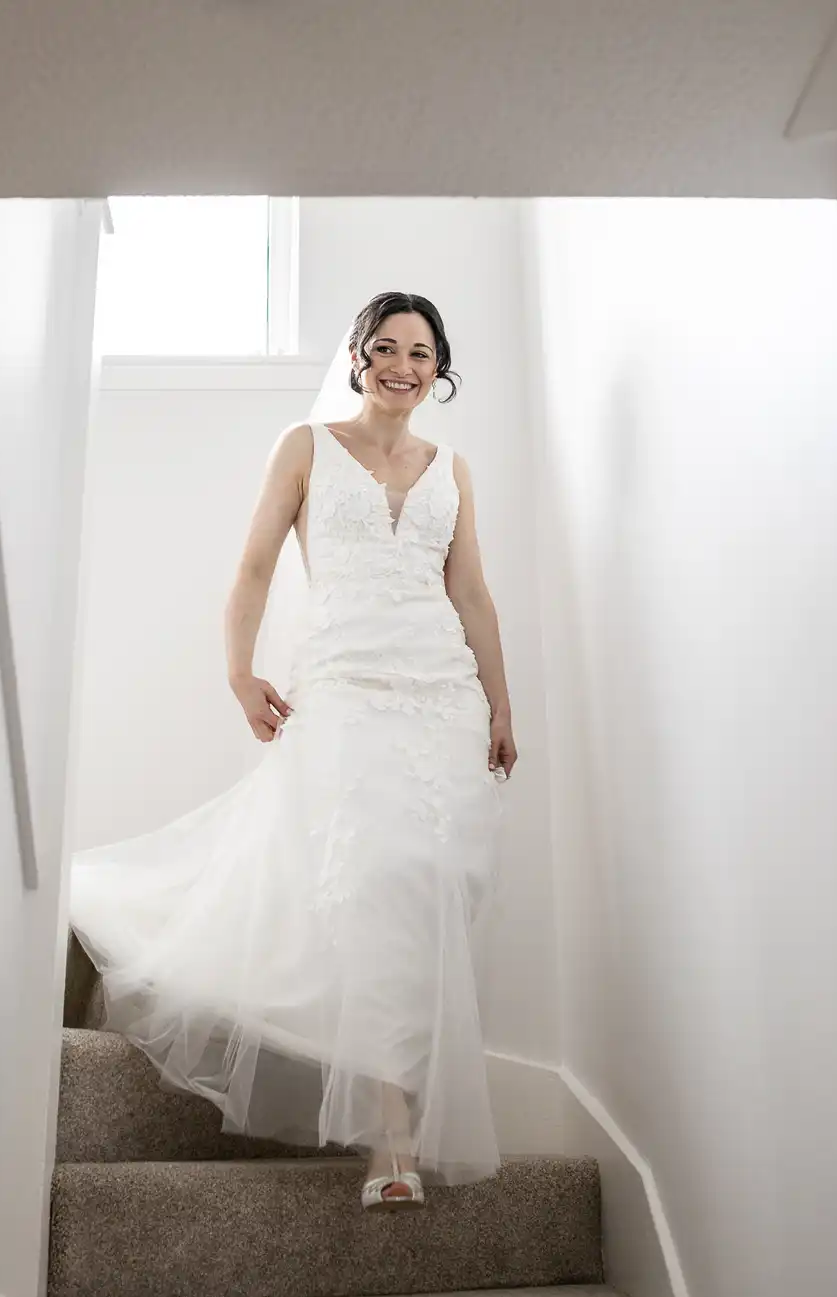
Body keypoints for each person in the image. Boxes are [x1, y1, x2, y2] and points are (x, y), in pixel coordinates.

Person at [70, 291, 516, 1210]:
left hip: (444, 699)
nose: (402, 364)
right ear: (358, 357)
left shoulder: (453, 469)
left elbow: (471, 592)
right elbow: (255, 567)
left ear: (440, 369)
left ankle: (394, 1100)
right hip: (345, 688)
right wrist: (239, 673)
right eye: (385, 347)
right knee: (373, 886)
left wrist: (502, 706)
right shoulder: (306, 446)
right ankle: (391, 1136)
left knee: (437, 883)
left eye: (420, 352)